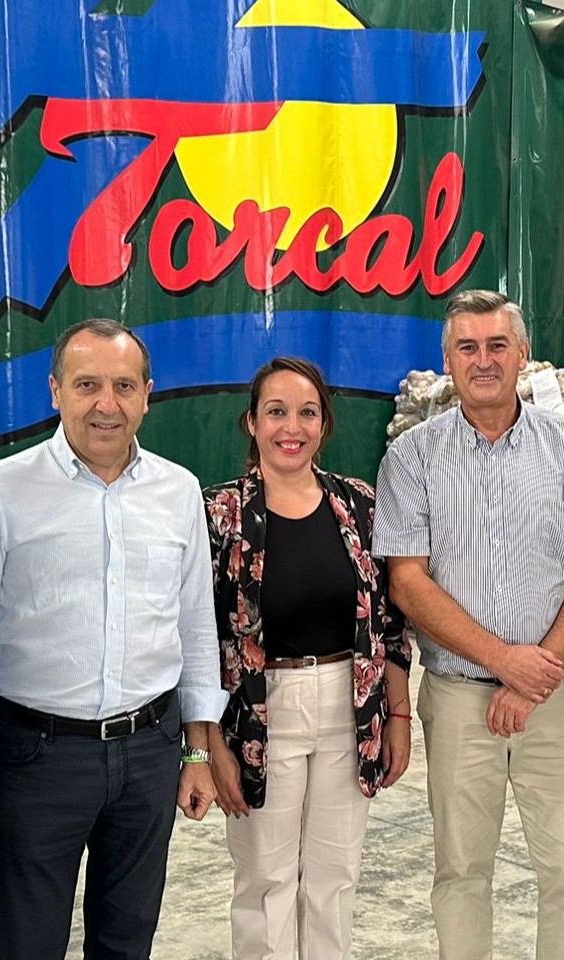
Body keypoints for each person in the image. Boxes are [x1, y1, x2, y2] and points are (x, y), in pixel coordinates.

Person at [374, 290, 564, 960]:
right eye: (468, 347)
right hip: (461, 700)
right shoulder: (412, 458)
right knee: (461, 870)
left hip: (556, 695)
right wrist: (504, 662)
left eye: (497, 345)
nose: (483, 360)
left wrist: (532, 674)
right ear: (448, 360)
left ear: (522, 355)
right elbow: (407, 582)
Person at [0, 318, 222, 960]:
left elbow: (195, 624)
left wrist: (196, 752)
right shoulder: (0, 491)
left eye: (123, 386)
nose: (106, 404)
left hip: (151, 751)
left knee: (128, 938)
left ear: (146, 394)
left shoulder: (178, 490)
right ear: (55, 390)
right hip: (38, 756)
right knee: (29, 941)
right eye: (87, 385)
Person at [198, 357, 412, 960]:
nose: (291, 426)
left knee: (334, 878)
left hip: (351, 708)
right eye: (276, 412)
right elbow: (198, 637)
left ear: (324, 425)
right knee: (267, 883)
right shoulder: (222, 515)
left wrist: (398, 716)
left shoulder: (360, 507)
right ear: (251, 423)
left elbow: (389, 625)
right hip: (262, 715)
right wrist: (209, 742)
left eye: (307, 412)